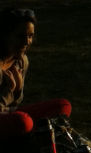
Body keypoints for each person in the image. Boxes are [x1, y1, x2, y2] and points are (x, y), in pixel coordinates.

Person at [0, 8, 72, 142]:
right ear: (5, 35)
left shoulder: (21, 61)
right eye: (20, 36)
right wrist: (10, 90)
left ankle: (32, 132)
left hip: (7, 113)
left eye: (30, 36)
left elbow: (14, 105)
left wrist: (16, 91)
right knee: (23, 121)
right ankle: (34, 132)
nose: (27, 42)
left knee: (63, 105)